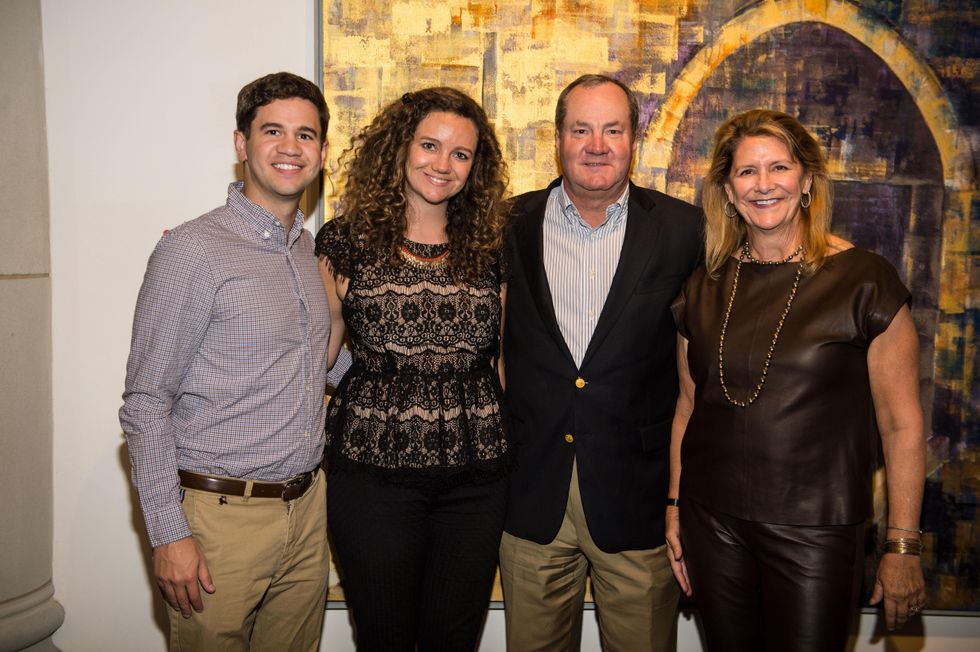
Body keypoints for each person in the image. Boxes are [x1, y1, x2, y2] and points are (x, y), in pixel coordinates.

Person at [666, 108, 927, 651]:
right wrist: (673, 508)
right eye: (746, 172)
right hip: (712, 525)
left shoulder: (864, 280)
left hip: (817, 532)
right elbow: (688, 408)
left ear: (806, 181)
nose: (764, 185)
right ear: (728, 191)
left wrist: (903, 548)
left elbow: (902, 426)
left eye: (779, 168)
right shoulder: (703, 286)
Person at [119, 72, 332, 651]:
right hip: (219, 522)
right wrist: (169, 534)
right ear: (241, 145)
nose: (291, 148)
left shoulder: (308, 251)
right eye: (273, 131)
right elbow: (145, 403)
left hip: (307, 514)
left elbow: (316, 367)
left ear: (322, 152)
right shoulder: (192, 249)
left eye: (306, 135)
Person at [499, 74, 703, 651]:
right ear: (558, 138)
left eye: (612, 129)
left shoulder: (684, 230)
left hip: (637, 499)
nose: (597, 144)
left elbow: (769, 252)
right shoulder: (506, 224)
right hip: (532, 494)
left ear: (632, 139)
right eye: (581, 129)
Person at [315, 87, 509, 651]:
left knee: (453, 640)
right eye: (429, 145)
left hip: (477, 481)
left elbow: (502, 362)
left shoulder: (492, 245)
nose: (442, 164)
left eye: (461, 154)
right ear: (401, 147)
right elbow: (319, 356)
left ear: (476, 167)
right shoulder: (345, 241)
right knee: (384, 638)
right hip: (371, 477)